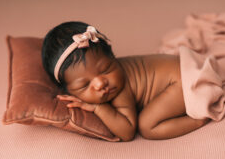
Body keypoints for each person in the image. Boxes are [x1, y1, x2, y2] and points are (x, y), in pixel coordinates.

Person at [41, 21, 210, 142]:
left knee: (147, 126)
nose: (101, 84)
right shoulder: (105, 78)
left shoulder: (118, 88)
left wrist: (98, 107)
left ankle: (198, 120)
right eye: (84, 85)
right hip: (181, 67)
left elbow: (127, 131)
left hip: (184, 81)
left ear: (113, 57)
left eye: (106, 69)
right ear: (68, 91)